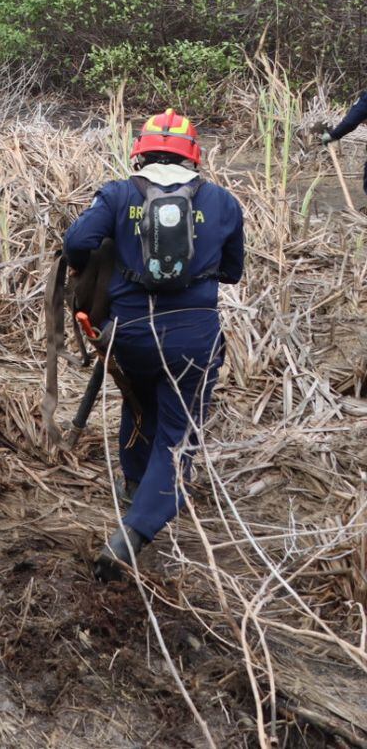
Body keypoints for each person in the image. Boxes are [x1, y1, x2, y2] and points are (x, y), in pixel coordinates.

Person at [62, 109, 244, 582]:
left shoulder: (121, 193)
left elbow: (76, 241)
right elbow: (232, 272)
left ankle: (134, 485)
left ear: (139, 151)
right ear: (194, 155)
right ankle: (136, 532)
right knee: (177, 435)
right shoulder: (222, 201)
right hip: (193, 335)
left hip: (130, 333)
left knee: (138, 402)